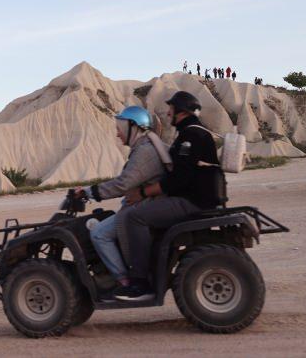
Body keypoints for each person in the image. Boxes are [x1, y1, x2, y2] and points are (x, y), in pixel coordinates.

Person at [114, 91, 221, 301]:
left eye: (171, 109)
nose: (169, 113)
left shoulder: (190, 136)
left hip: (191, 201)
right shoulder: (193, 132)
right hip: (197, 198)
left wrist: (143, 193)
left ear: (181, 112)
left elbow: (176, 181)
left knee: (135, 217)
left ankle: (140, 282)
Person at [72, 106, 169, 301]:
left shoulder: (144, 152)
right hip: (146, 204)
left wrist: (91, 192)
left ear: (133, 127)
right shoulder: (145, 147)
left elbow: (123, 183)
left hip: (144, 207)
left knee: (99, 234)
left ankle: (125, 282)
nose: (117, 133)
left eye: (120, 128)